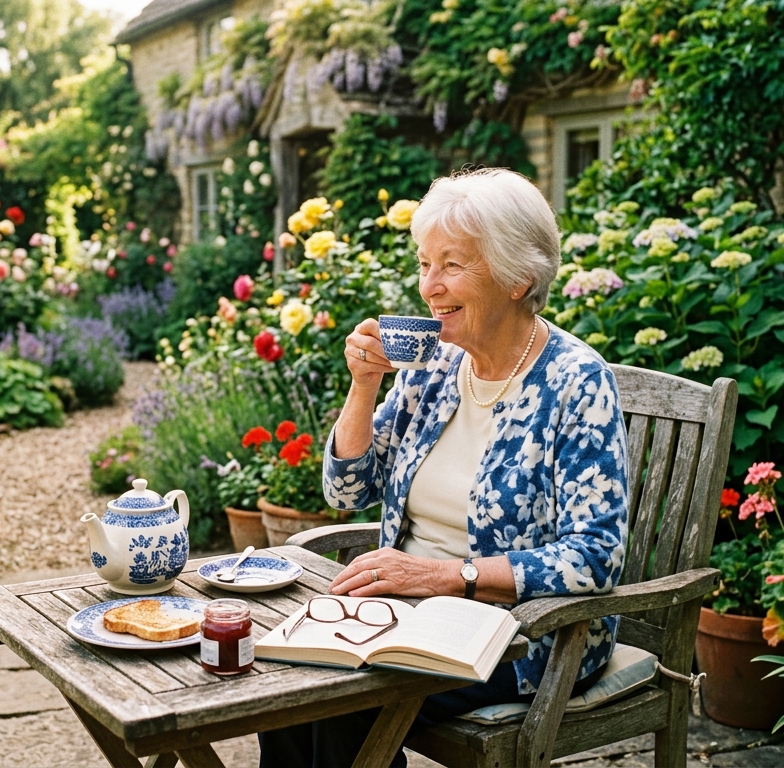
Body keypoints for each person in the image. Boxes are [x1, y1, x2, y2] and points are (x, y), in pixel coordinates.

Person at [258, 168, 630, 768]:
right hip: (407, 608)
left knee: (342, 699)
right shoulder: (432, 365)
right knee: (286, 672)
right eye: (425, 264)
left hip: (528, 633)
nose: (430, 287)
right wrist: (363, 386)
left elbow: (594, 557)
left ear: (518, 278)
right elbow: (345, 489)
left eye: (452, 265)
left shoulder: (576, 382)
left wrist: (444, 577)